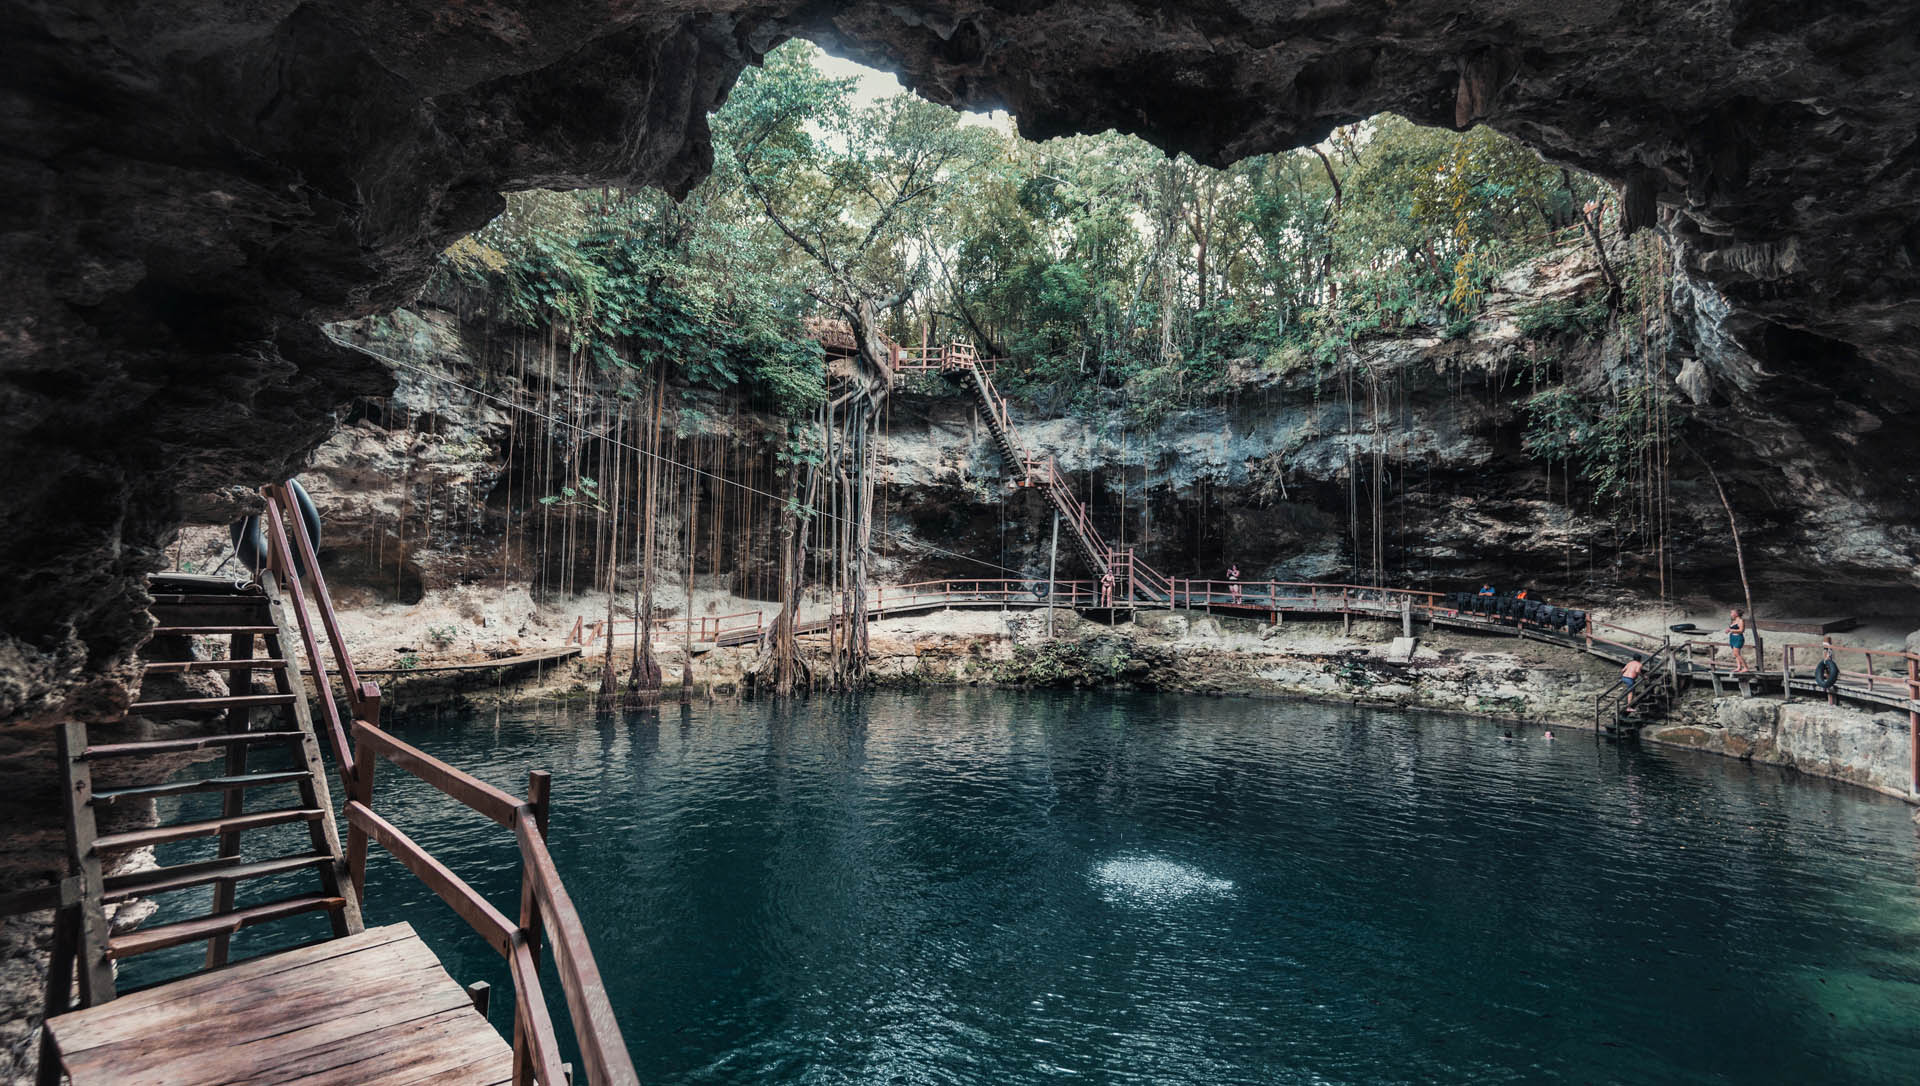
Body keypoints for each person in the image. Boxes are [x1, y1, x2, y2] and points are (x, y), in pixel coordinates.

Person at [1727, 608, 1749, 672]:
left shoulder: (1741, 620)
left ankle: (1745, 667)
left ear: (1736, 614)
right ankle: (1739, 667)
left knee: (1737, 653)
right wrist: (1728, 630)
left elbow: (1741, 630)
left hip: (1738, 638)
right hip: (1732, 638)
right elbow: (1731, 628)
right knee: (1735, 653)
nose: (1731, 614)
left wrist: (1731, 630)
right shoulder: (1733, 621)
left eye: (1732, 613)